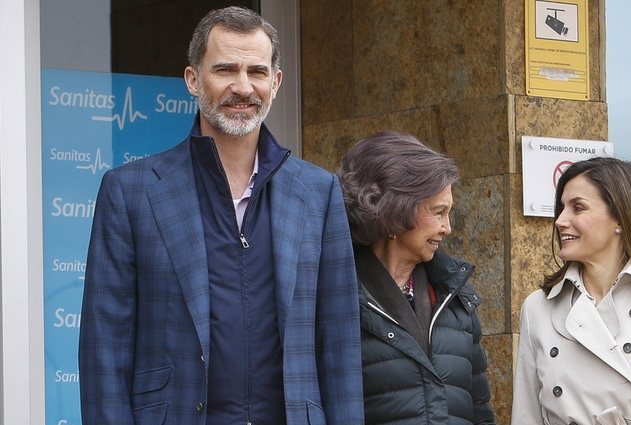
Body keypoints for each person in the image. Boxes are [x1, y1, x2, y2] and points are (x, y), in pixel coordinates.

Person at [78, 6, 363, 425]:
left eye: (258, 72)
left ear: (276, 82)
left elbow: (340, 349)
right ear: (193, 79)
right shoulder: (130, 192)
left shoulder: (318, 193)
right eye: (225, 69)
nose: (243, 87)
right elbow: (104, 352)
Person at [511, 156, 631, 425]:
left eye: (577, 208)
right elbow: (526, 416)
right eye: (561, 208)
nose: (560, 220)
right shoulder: (538, 307)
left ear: (620, 217)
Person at [337, 131, 496, 425]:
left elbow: (480, 413)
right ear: (395, 209)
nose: (447, 228)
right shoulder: (334, 296)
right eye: (438, 212)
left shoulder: (457, 300)